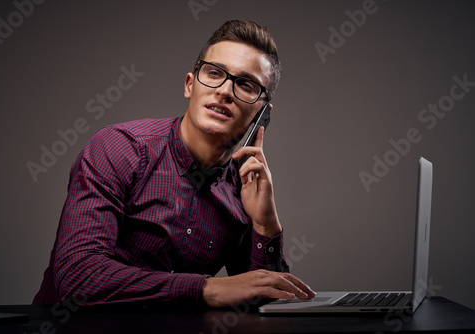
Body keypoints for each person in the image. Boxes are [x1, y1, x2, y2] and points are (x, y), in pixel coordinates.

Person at [33, 20, 315, 307]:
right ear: (189, 85)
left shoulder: (244, 189)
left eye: (245, 84)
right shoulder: (120, 149)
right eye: (215, 73)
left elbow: (263, 297)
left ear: (263, 114)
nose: (224, 91)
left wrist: (265, 225)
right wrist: (207, 289)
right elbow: (78, 277)